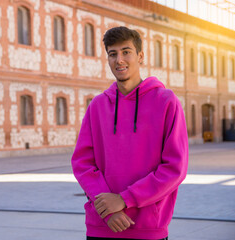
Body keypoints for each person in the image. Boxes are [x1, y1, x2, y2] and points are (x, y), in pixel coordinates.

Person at [71, 26, 188, 240]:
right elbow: (83, 163)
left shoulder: (166, 102)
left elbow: (175, 168)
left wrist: (124, 200)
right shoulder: (97, 106)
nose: (119, 60)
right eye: (112, 54)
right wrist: (109, 211)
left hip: (148, 228)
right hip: (102, 227)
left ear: (140, 56)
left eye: (126, 52)